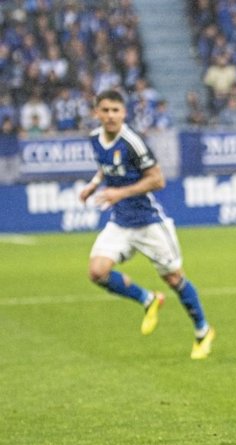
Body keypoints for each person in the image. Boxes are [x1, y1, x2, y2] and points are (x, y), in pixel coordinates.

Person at [79, 89, 215, 360]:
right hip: (120, 222)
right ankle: (148, 299)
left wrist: (119, 193)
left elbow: (157, 180)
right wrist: (93, 185)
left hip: (149, 222)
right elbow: (105, 166)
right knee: (97, 271)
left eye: (115, 110)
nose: (110, 115)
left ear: (124, 113)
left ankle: (203, 330)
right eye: (104, 110)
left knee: (174, 278)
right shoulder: (95, 138)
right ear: (96, 112)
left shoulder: (133, 142)